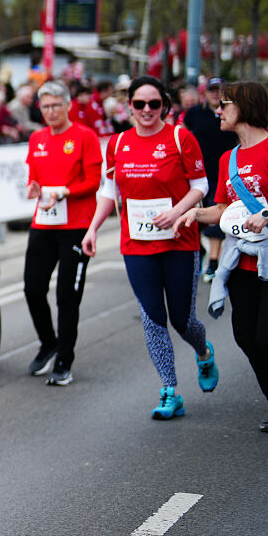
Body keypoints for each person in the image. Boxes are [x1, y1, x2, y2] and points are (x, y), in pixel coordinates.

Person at [82, 76, 218, 420]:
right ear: (129, 106)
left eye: (153, 104)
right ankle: (170, 390)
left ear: (164, 106)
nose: (146, 110)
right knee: (153, 318)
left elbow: (201, 185)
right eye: (139, 104)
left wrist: (176, 212)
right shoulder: (118, 143)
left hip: (179, 241)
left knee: (183, 320)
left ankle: (203, 353)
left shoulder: (180, 137)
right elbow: (109, 191)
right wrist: (93, 228)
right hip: (137, 245)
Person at [173, 81, 268, 431]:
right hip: (241, 263)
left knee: (265, 337)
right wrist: (195, 214)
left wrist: (267, 215)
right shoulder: (229, 158)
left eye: (224, 103)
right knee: (245, 336)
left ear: (245, 106)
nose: (218, 110)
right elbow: (225, 209)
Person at [23, 81, 103, 386]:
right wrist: (33, 188)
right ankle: (49, 343)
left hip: (76, 227)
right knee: (32, 289)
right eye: (45, 106)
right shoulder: (37, 138)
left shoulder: (85, 136)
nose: (51, 111)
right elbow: (34, 178)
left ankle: (64, 359)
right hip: (44, 223)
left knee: (66, 296)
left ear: (68, 105)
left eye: (56, 105)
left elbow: (93, 182)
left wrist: (65, 192)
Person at [184, 77, 238, 281]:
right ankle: (200, 252)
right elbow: (182, 135)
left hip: (224, 174)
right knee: (194, 219)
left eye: (219, 90)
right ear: (205, 93)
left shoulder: (231, 113)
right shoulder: (194, 113)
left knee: (218, 216)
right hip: (197, 175)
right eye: (212, 90)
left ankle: (213, 262)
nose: (215, 94)